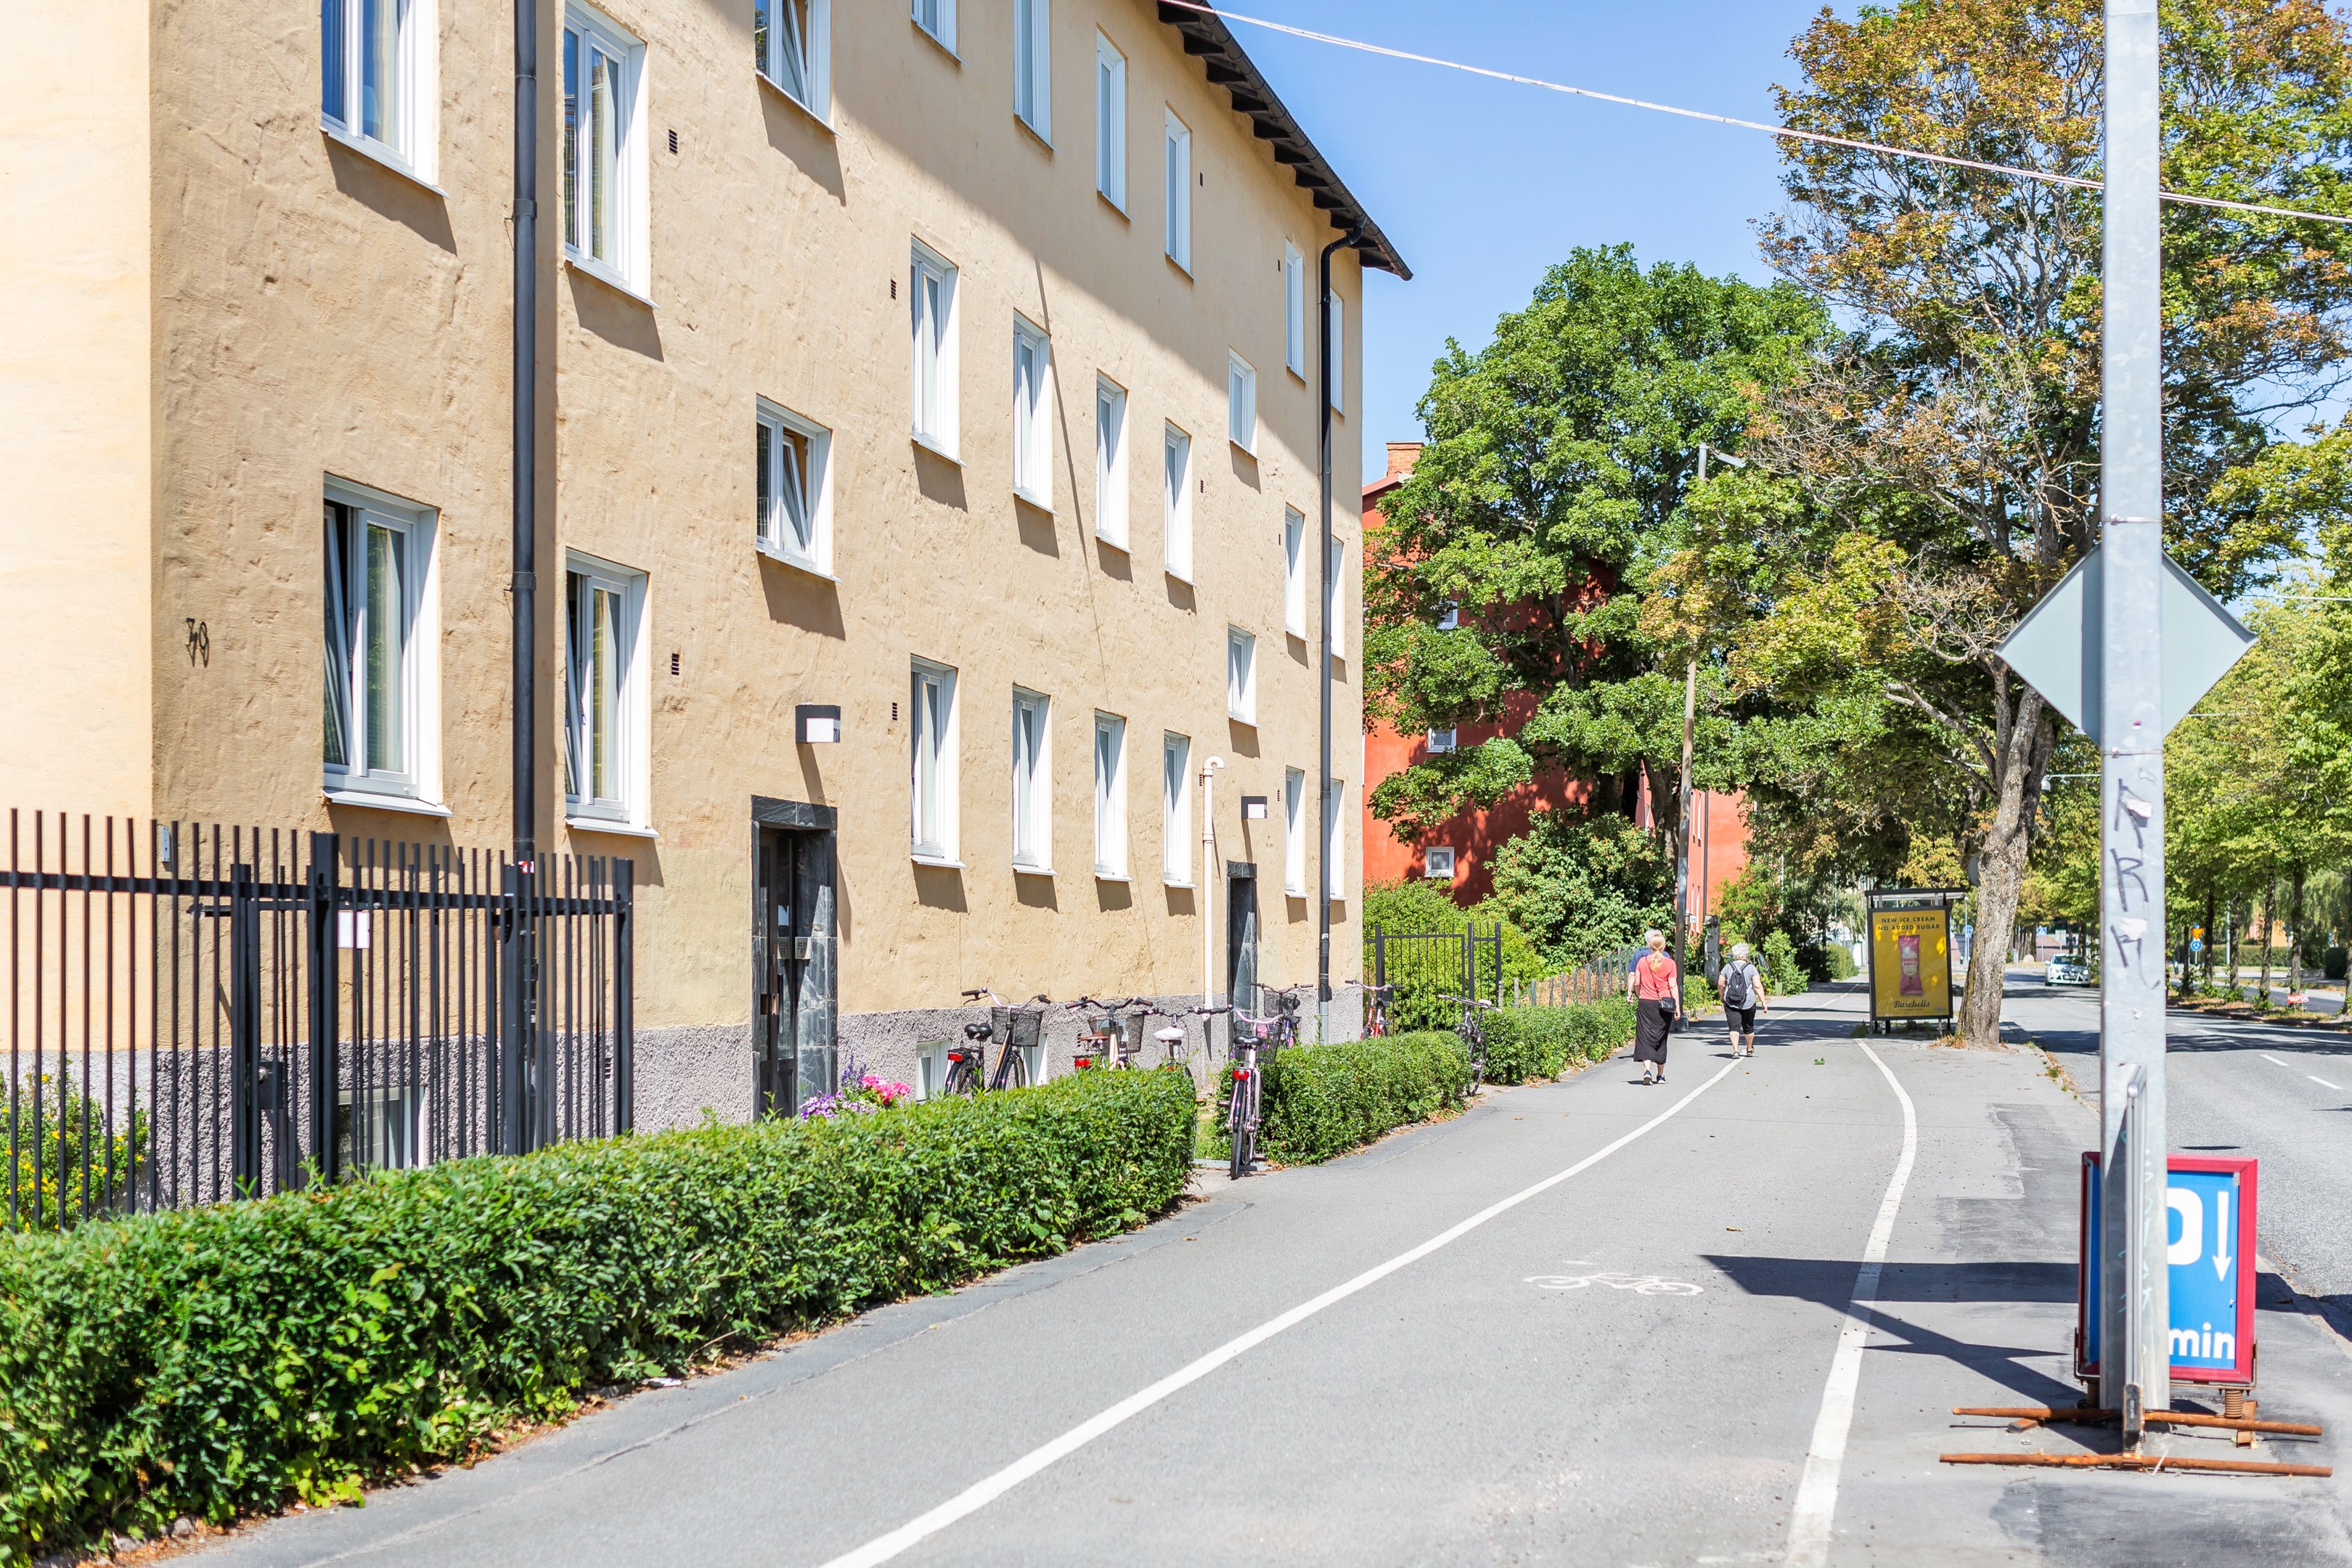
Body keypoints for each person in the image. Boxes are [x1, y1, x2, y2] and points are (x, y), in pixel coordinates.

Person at [1628, 928, 1678, 1086]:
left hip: (1645, 1003)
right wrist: (1677, 1007)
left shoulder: (1642, 962)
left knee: (1644, 1036)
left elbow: (1637, 982)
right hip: (1665, 1003)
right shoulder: (1670, 963)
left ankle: (1647, 1070)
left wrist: (1638, 993)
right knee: (1661, 1037)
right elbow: (1673, 986)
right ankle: (1661, 1075)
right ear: (1664, 947)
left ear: (1650, 946)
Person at [1719, 942, 1768, 1058]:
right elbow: (1757, 986)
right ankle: (1749, 1048)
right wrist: (1763, 1002)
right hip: (1748, 1002)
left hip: (1731, 1002)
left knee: (1733, 1027)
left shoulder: (1728, 967)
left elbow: (1721, 983)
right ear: (1746, 955)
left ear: (1734, 955)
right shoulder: (1751, 968)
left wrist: (1722, 997)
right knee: (1749, 1027)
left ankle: (1735, 1050)